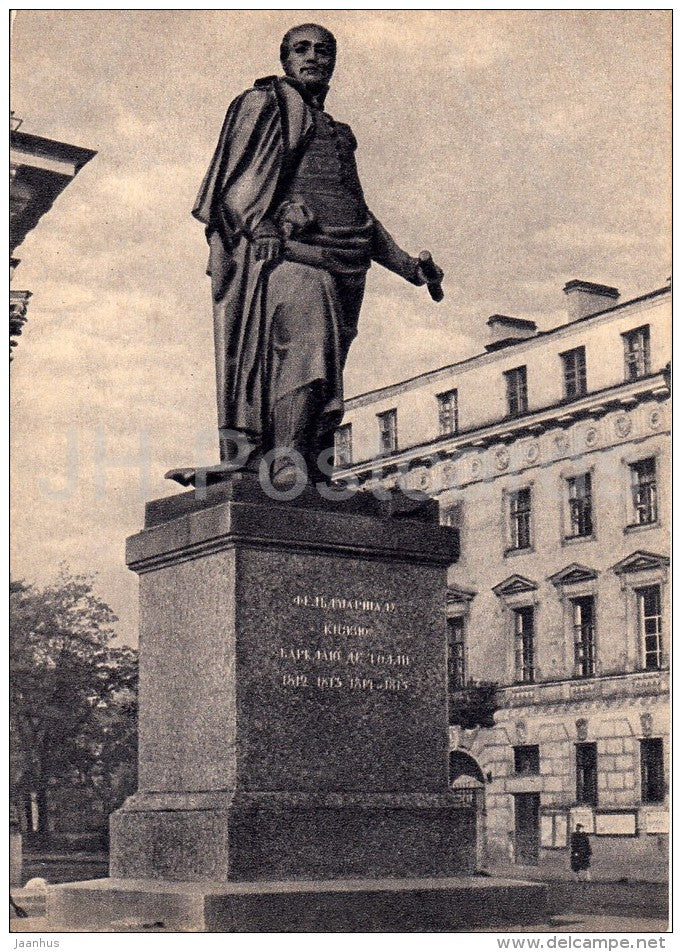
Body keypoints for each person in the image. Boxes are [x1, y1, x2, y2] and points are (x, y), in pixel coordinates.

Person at [192, 24, 443, 489]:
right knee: (307, 353)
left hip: (347, 259)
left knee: (325, 370)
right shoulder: (263, 104)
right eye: (301, 49)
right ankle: (285, 464)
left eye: (324, 50)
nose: (314, 57)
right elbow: (232, 182)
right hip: (291, 255)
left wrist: (407, 265)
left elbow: (357, 210)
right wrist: (259, 222)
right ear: (285, 58)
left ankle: (305, 461)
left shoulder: (337, 131)